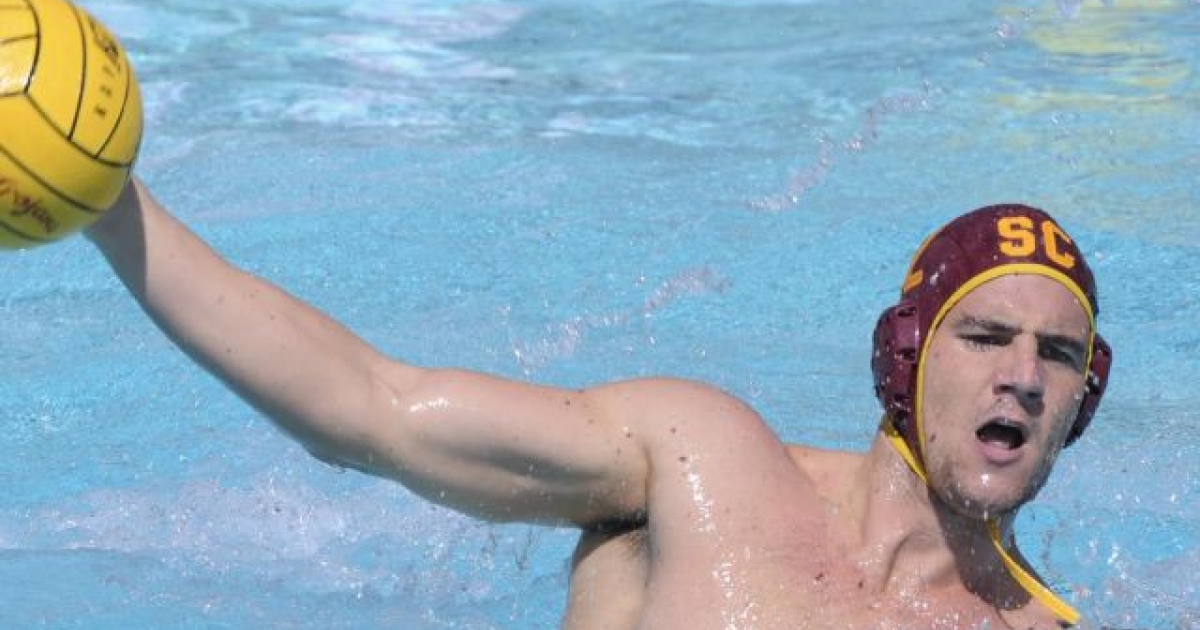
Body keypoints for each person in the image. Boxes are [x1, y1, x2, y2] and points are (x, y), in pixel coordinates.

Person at [86, 178, 1111, 630]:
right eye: (986, 337)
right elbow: (374, 409)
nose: (1023, 375)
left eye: (1058, 357)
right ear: (905, 357)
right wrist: (112, 210)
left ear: (1082, 400)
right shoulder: (704, 466)